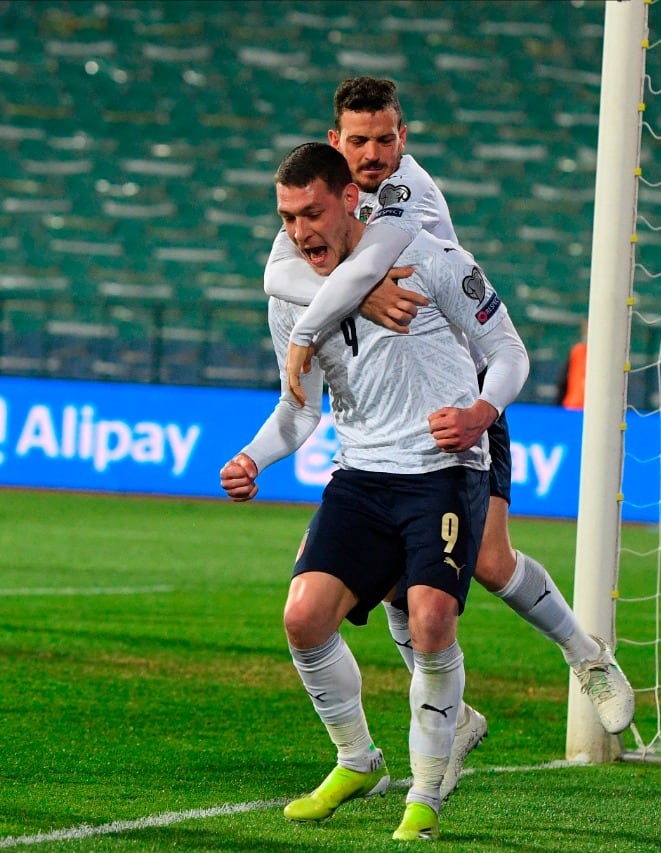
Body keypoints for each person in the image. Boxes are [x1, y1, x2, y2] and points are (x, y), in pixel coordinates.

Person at [264, 77, 634, 768]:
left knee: (490, 562)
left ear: (402, 138)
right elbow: (277, 274)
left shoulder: (412, 196)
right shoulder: (325, 197)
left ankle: (587, 655)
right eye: (358, 140)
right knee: (402, 583)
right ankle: (452, 715)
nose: (372, 155)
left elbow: (391, 268)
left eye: (384, 139)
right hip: (384, 417)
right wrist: (343, 296)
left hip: (455, 394)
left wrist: (338, 303)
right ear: (336, 140)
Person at [220, 141, 529, 841]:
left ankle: (425, 792)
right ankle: (357, 760)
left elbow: (510, 351)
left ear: (348, 203)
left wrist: (482, 411)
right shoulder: (293, 293)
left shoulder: (433, 259)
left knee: (428, 621)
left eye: (312, 213)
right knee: (303, 617)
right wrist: (253, 457)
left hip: (444, 471)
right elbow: (299, 408)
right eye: (287, 217)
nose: (301, 232)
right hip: (361, 475)